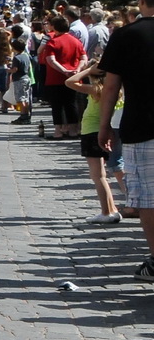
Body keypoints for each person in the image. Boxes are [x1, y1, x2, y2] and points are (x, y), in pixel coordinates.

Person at [98, 0, 154, 282]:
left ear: (142, 0)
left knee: (148, 197)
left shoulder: (127, 35)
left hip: (142, 124)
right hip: (141, 125)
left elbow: (110, 86)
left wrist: (104, 126)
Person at [66, 60, 121, 224]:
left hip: (92, 132)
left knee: (98, 176)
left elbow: (69, 82)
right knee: (101, 175)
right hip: (98, 130)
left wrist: (88, 69)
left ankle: (106, 211)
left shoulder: (96, 90)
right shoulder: (113, 90)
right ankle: (112, 209)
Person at [38, 14, 86, 139]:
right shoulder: (76, 41)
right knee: (72, 104)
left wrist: (64, 70)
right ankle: (73, 130)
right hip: (74, 78)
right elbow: (84, 58)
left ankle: (58, 131)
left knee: (57, 105)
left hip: (55, 78)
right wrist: (77, 69)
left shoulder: (53, 42)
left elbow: (51, 60)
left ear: (54, 27)